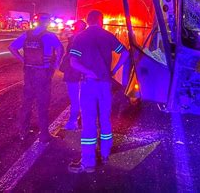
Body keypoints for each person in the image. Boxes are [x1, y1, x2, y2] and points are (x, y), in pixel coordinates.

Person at [67, 10, 129, 173]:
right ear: (100, 20)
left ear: (88, 21)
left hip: (89, 84)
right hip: (105, 84)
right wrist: (114, 69)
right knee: (105, 119)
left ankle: (88, 163)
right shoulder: (107, 35)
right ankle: (105, 154)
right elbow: (125, 53)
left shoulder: (80, 37)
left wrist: (87, 72)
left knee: (88, 122)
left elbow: (73, 62)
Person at [8, 13, 64, 142]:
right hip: (43, 73)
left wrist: (23, 60)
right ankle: (44, 134)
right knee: (42, 102)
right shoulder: (50, 36)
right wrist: (56, 64)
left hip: (29, 72)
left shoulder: (27, 35)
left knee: (27, 101)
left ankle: (23, 131)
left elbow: (12, 48)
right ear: (47, 22)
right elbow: (60, 49)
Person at [59, 20, 87, 130]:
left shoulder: (74, 39)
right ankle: (81, 120)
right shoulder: (86, 39)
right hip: (82, 71)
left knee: (74, 98)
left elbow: (71, 57)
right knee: (83, 97)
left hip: (73, 71)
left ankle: (72, 121)